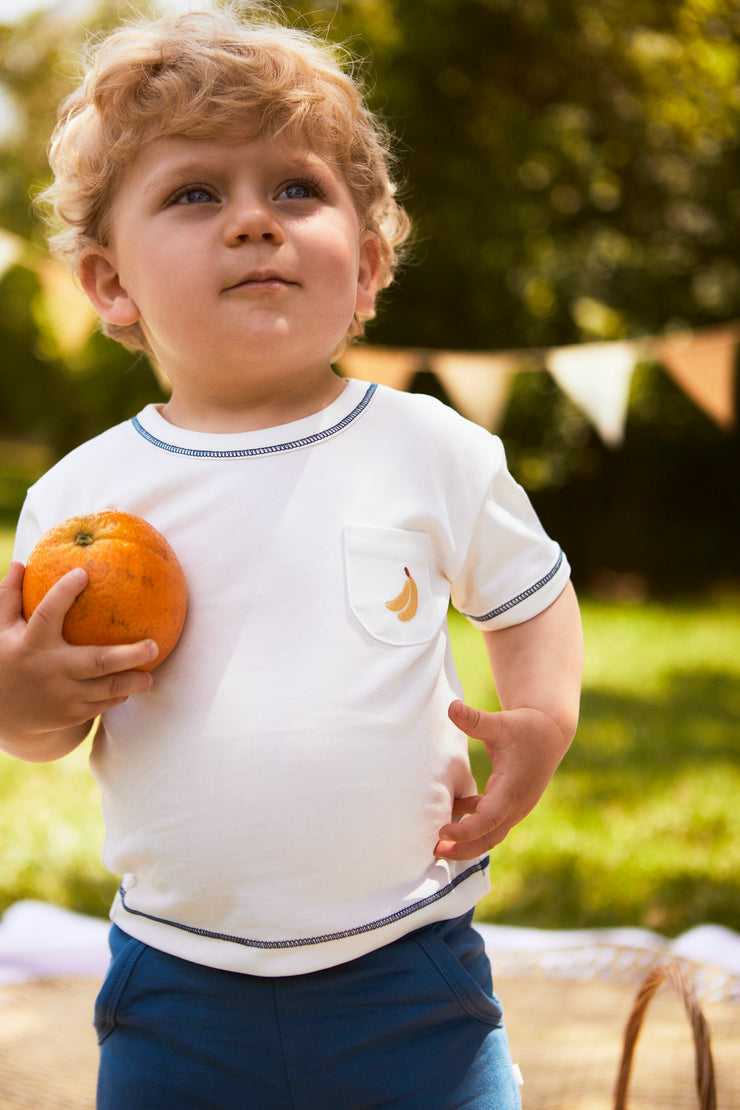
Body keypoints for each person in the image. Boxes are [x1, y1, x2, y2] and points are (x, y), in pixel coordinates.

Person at [0, 9, 582, 1109]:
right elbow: (47, 732)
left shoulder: (429, 449)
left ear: (364, 267)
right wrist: (18, 696)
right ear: (109, 283)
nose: (253, 223)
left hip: (408, 974)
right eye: (194, 194)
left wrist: (541, 721)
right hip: (176, 987)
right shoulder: (78, 498)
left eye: (295, 190)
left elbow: (530, 601)